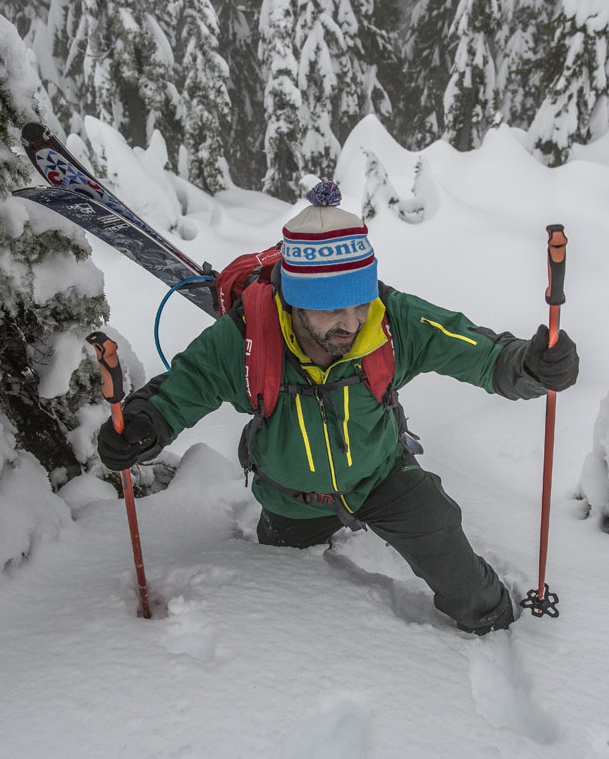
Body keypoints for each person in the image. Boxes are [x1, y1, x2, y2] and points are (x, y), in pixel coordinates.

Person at [97, 182, 578, 635]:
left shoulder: (391, 320)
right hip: (291, 498)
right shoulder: (248, 338)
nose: (351, 323)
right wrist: (143, 424)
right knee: (289, 594)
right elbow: (187, 385)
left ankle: (496, 622)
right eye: (331, 310)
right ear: (296, 302)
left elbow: (477, 351)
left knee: (445, 541)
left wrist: (531, 366)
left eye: (359, 304)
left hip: (381, 476)